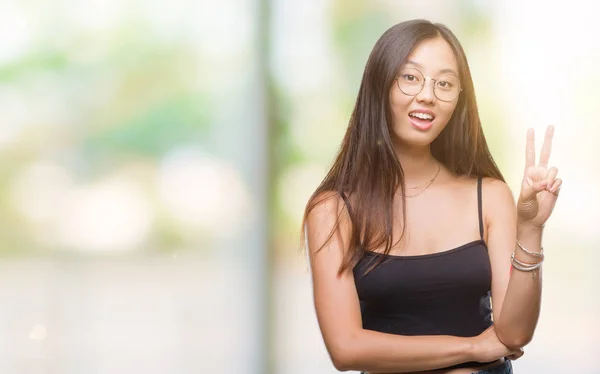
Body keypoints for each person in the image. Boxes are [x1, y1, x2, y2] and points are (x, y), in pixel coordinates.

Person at [301, 19, 561, 374]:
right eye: (410, 77)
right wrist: (472, 346)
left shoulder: (490, 196)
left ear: (458, 100)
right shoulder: (333, 209)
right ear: (380, 84)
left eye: (444, 83)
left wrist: (531, 227)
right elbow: (346, 349)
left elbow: (514, 333)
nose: (427, 94)